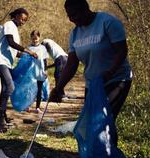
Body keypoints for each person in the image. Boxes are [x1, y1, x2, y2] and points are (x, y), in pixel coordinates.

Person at [49, 0, 132, 146]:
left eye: (74, 14)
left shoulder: (108, 22)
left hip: (117, 79)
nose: (72, 18)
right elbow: (72, 63)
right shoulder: (75, 34)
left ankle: (109, 157)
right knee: (92, 120)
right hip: (93, 83)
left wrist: (110, 72)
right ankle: (99, 157)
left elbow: (122, 50)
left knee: (104, 118)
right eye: (69, 15)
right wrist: (59, 87)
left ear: (85, 9)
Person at [0, 8, 38, 133]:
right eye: (22, 19)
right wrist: (28, 50)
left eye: (25, 20)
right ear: (16, 16)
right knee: (10, 87)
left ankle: (2, 117)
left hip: (7, 62)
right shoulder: (9, 24)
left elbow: (14, 51)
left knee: (5, 89)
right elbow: (10, 42)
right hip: (0, 60)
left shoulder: (15, 30)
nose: (23, 22)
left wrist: (25, 56)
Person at [28, 30, 49, 114]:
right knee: (30, 89)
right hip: (31, 72)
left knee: (39, 90)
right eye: (33, 39)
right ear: (31, 38)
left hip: (40, 71)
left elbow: (45, 60)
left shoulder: (42, 48)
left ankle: (37, 107)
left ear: (39, 38)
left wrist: (46, 70)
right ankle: (28, 105)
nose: (35, 40)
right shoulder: (28, 48)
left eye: (36, 38)